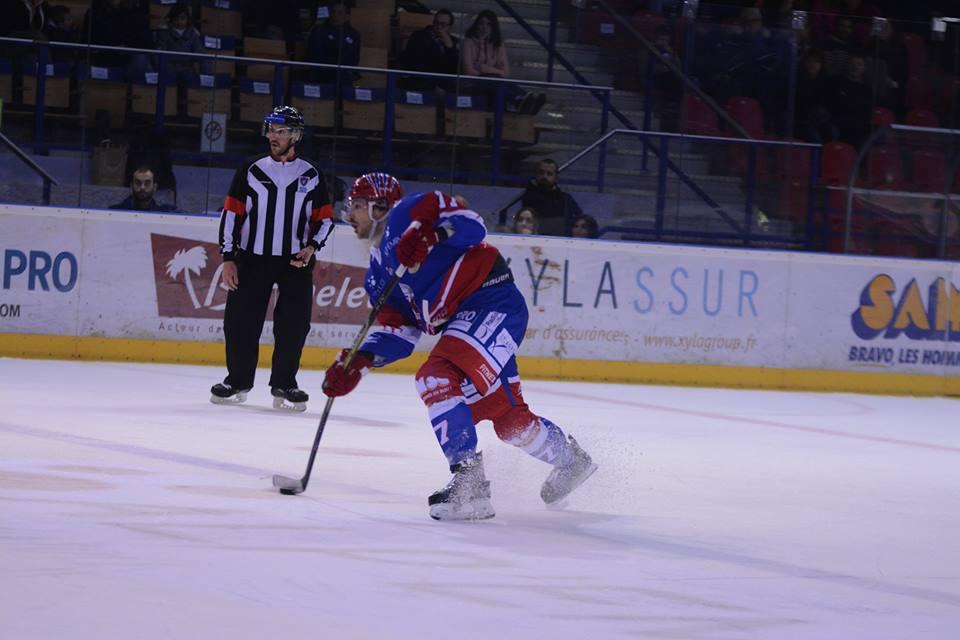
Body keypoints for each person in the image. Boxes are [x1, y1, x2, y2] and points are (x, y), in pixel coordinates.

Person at [322, 172, 598, 521]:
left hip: (492, 301)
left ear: (380, 206)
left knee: (435, 377)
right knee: (509, 420)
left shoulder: (411, 211)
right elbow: (401, 333)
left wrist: (431, 234)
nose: (349, 214)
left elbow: (474, 226)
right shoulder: (376, 275)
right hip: (464, 325)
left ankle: (469, 480)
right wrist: (360, 360)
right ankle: (572, 462)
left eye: (358, 206)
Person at [210, 106, 334, 412]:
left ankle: (285, 383)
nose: (272, 136)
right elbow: (231, 214)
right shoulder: (251, 169)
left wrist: (312, 247)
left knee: (294, 325)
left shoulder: (312, 174)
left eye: (280, 131)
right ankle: (237, 381)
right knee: (240, 322)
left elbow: (325, 219)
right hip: (252, 260)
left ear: (295, 136)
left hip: (296, 263)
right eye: (270, 130)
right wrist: (228, 257)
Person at [461, 10, 545, 115]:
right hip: (474, 82)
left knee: (500, 82)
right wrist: (492, 73)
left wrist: (486, 69)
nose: (484, 28)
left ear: (493, 27)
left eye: (489, 24)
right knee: (496, 82)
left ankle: (525, 99)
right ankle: (521, 100)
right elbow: (469, 71)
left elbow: (505, 73)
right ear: (476, 25)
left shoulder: (498, 44)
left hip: (493, 80)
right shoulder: (468, 41)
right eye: (481, 23)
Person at [400, 8, 459, 93]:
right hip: (423, 83)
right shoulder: (419, 37)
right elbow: (416, 64)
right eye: (436, 23)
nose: (439, 27)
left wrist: (450, 48)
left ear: (450, 27)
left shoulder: (453, 41)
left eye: (443, 24)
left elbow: (455, 69)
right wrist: (435, 85)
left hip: (445, 86)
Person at [519, 159, 583, 236]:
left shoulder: (566, 198)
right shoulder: (529, 196)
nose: (544, 176)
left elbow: (580, 218)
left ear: (556, 178)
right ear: (536, 174)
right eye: (541, 172)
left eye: (549, 174)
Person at [305, 1, 360, 87]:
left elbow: (354, 59)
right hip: (322, 73)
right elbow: (315, 55)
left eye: (340, 12)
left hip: (343, 74)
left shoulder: (354, 34)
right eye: (333, 12)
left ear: (347, 16)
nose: (335, 15)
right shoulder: (319, 31)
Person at [109, 165, 177, 212]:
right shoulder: (115, 212)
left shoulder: (164, 214)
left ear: (154, 187)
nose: (142, 187)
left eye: (147, 183)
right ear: (131, 186)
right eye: (138, 183)